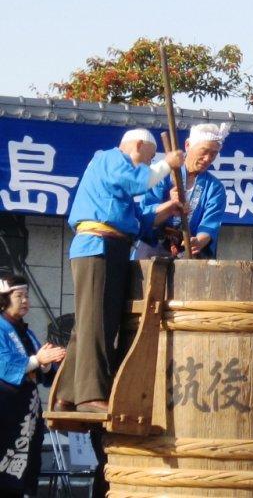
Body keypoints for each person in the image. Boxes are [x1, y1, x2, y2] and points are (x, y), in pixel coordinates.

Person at [57, 128, 184, 413]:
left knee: (91, 321)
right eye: (147, 158)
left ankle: (67, 392)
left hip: (109, 246)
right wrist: (168, 164)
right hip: (98, 245)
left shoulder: (112, 177)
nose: (146, 165)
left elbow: (137, 220)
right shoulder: (111, 159)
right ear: (137, 145)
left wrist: (168, 209)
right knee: (99, 323)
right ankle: (90, 395)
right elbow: (138, 181)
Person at [0, 275, 66, 496]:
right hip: (6, 410)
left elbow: (40, 370)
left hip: (27, 411)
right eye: (19, 296)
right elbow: (6, 367)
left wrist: (47, 364)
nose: (26, 300)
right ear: (4, 299)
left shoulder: (26, 332)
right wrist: (39, 360)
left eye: (27, 296)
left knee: (30, 463)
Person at [135, 123, 228, 259]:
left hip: (190, 245)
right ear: (188, 145)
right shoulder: (163, 175)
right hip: (155, 242)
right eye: (204, 151)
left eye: (214, 154)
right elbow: (147, 213)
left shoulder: (215, 188)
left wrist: (199, 241)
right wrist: (169, 205)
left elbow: (210, 224)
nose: (208, 158)